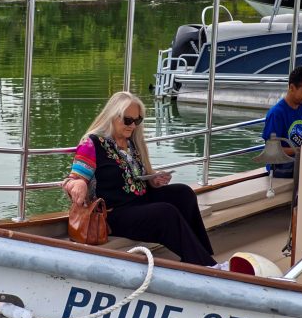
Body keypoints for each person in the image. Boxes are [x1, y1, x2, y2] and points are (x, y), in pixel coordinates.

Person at [63, 91, 221, 268]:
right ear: (112, 116)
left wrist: (154, 180)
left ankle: (202, 255)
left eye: (137, 121)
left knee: (184, 193)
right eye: (127, 120)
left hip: (139, 202)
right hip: (114, 214)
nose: (132, 125)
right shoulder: (92, 143)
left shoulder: (132, 142)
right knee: (165, 212)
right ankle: (206, 265)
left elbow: (137, 177)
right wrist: (78, 183)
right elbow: (73, 179)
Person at [262, 66, 302, 178]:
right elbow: (271, 151)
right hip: (280, 166)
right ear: (292, 87)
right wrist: (299, 150)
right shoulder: (276, 113)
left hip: (301, 159)